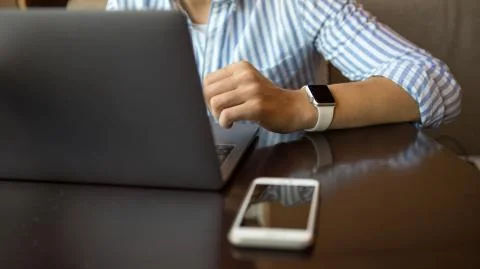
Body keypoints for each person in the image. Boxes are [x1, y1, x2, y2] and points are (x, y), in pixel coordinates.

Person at [106, 0, 462, 133]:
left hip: (278, 191)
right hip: (166, 195)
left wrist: (296, 105)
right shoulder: (127, 6)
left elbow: (433, 84)